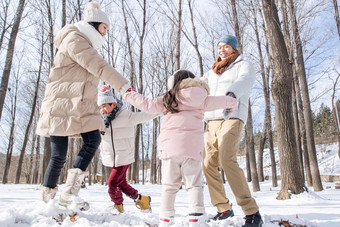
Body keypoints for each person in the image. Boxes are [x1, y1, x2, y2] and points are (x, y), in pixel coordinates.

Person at [37, 2, 131, 210]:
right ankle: (47, 201)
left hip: (74, 106)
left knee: (91, 139)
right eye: (105, 28)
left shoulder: (83, 43)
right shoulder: (75, 40)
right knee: (59, 154)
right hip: (60, 105)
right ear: (95, 24)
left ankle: (68, 193)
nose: (106, 34)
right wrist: (124, 86)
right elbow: (98, 66)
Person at [123, 70, 237, 227]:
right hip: (192, 149)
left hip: (169, 149)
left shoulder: (169, 98)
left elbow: (147, 104)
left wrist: (128, 93)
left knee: (169, 186)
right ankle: (196, 216)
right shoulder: (201, 97)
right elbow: (224, 101)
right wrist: (231, 102)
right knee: (194, 184)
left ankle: (166, 218)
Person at [201, 35, 263, 227]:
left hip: (232, 116)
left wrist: (232, 94)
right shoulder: (212, 71)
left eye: (226, 46)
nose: (222, 50)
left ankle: (252, 212)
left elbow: (246, 80)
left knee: (227, 159)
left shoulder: (243, 64)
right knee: (208, 164)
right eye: (219, 47)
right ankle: (223, 208)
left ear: (234, 48)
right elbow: (198, 85)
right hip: (211, 121)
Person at [97, 85, 158, 213]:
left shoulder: (126, 116)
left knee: (112, 184)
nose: (102, 110)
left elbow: (146, 115)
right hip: (112, 158)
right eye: (100, 107)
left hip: (124, 156)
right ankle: (142, 200)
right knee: (121, 184)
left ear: (113, 104)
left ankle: (118, 207)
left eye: (104, 106)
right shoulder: (100, 120)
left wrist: (162, 108)